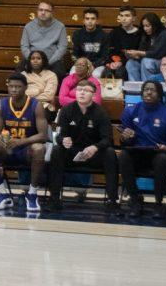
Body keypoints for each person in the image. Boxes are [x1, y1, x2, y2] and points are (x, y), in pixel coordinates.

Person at [46, 80, 118, 211]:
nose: (82, 92)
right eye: (79, 90)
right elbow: (59, 135)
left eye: (86, 90)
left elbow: (108, 139)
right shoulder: (66, 110)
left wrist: (95, 147)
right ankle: (54, 199)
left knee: (110, 153)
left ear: (94, 94)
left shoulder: (100, 113)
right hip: (72, 153)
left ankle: (112, 200)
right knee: (57, 150)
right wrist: (63, 140)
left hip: (93, 154)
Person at [0, 73, 48, 213]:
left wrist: (21, 142)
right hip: (8, 149)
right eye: (11, 86)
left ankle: (32, 194)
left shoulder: (36, 105)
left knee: (39, 148)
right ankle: (2, 193)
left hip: (27, 150)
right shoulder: (2, 104)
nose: (13, 89)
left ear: (25, 88)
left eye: (17, 87)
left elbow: (43, 135)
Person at [116, 80, 166, 217]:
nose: (149, 92)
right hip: (137, 153)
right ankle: (135, 200)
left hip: (157, 154)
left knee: (163, 159)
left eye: (153, 90)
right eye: (146, 89)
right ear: (141, 93)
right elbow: (124, 142)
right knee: (123, 155)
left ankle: (158, 204)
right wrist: (127, 137)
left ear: (159, 95)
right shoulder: (130, 111)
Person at [126, 12, 166, 82]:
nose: (145, 28)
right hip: (152, 62)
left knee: (146, 61)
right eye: (144, 26)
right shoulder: (146, 36)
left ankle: (149, 87)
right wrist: (134, 55)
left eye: (148, 26)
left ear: (155, 25)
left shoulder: (165, 34)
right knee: (131, 63)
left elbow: (157, 54)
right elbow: (142, 51)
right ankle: (136, 89)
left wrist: (138, 53)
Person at [20, 0, 68, 76]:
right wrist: (32, 60)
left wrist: (48, 63)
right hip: (32, 60)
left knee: (60, 72)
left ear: (52, 13)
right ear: (37, 11)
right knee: (19, 72)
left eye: (46, 10)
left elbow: (62, 47)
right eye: (40, 10)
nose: (43, 12)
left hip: (52, 62)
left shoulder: (60, 26)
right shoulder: (28, 26)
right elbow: (24, 46)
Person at [104, 5, 142, 79]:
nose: (124, 19)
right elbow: (109, 51)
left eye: (127, 16)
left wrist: (122, 63)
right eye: (121, 16)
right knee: (107, 72)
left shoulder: (140, 33)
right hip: (116, 62)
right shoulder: (114, 32)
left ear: (134, 18)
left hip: (133, 63)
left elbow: (139, 54)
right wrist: (110, 63)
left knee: (122, 71)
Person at [71, 8, 108, 79]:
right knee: (73, 74)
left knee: (96, 75)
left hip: (97, 65)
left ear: (97, 21)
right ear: (83, 21)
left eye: (93, 19)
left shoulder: (104, 35)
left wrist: (93, 66)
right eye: (87, 19)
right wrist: (82, 65)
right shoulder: (77, 34)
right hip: (81, 63)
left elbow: (105, 57)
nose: (90, 21)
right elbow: (74, 54)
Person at [22, 49, 58, 117]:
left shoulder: (51, 75)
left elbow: (48, 96)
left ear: (43, 60)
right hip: (24, 105)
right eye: (33, 58)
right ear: (29, 61)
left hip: (44, 106)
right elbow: (20, 94)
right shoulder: (23, 75)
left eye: (38, 58)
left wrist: (28, 97)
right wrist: (38, 91)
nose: (35, 61)